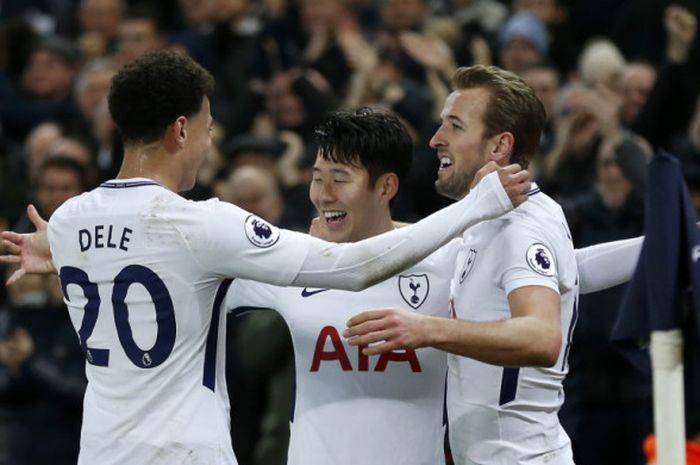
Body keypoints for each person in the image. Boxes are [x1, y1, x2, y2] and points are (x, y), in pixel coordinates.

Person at [0, 50, 529, 465]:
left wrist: (55, 250)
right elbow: (354, 266)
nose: (209, 143)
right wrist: (477, 206)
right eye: (206, 128)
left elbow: (89, 246)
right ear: (180, 130)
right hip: (184, 453)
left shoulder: (70, 219)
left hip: (100, 451)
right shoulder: (201, 223)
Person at [343, 65, 641, 465]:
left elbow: (541, 337)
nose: (435, 139)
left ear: (499, 146)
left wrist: (425, 328)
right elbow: (569, 273)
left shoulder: (516, 225)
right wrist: (660, 246)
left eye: (455, 126)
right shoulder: (496, 218)